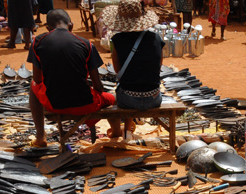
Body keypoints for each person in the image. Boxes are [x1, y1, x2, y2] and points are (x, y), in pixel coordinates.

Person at [27, 9, 116, 147]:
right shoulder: (86, 44)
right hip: (85, 104)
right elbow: (98, 85)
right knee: (112, 98)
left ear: (48, 28)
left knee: (33, 87)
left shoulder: (37, 42)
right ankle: (116, 131)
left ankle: (40, 136)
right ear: (71, 25)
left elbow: (37, 79)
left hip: (53, 104)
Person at [102, 0, 164, 141]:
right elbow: (158, 67)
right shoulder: (156, 38)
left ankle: (123, 131)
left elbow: (118, 70)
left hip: (127, 99)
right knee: (132, 85)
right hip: (153, 98)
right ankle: (127, 130)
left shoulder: (117, 40)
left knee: (117, 93)